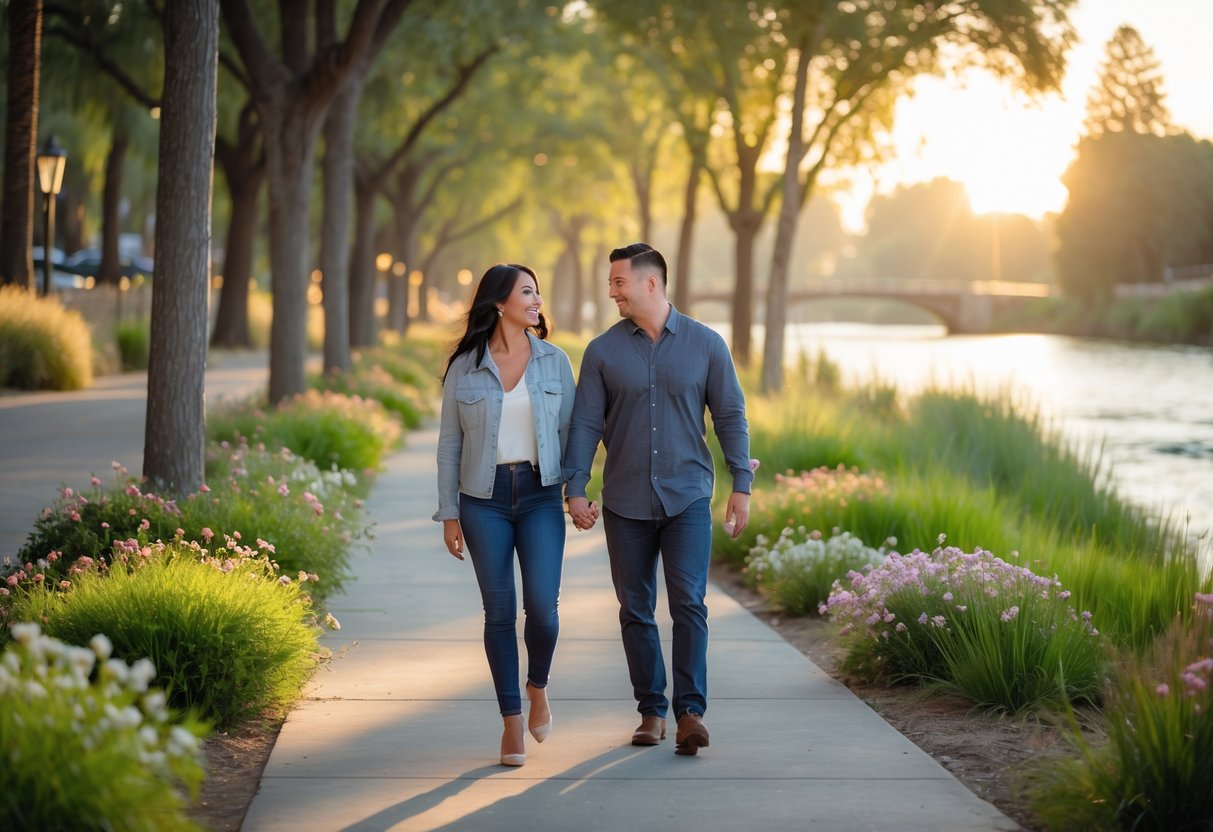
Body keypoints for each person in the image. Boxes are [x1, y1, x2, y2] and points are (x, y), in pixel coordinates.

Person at [564, 242, 752, 756]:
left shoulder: (707, 344)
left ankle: (690, 713)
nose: (612, 292)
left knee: (690, 603)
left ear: (651, 283)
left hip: (687, 495)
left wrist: (742, 483)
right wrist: (575, 487)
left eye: (619, 282)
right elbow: (584, 423)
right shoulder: (602, 352)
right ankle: (651, 710)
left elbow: (731, 416)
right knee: (635, 608)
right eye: (610, 283)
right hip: (624, 499)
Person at [434, 263, 582, 767]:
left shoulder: (555, 361)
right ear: (500, 302)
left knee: (542, 607)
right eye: (527, 292)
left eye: (538, 292)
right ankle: (512, 723)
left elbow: (571, 435)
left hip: (540, 495)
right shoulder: (466, 367)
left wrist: (576, 491)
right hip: (483, 499)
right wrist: (449, 513)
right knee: (499, 612)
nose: (537, 300)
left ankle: (537, 685)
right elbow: (449, 445)